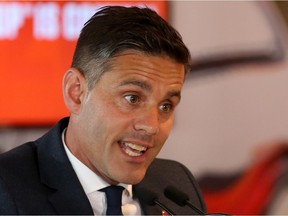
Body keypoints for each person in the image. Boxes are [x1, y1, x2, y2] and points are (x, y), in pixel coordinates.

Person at [0, 6, 206, 215]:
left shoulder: (177, 184)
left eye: (165, 106)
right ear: (76, 92)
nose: (151, 126)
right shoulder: (5, 189)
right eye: (132, 98)